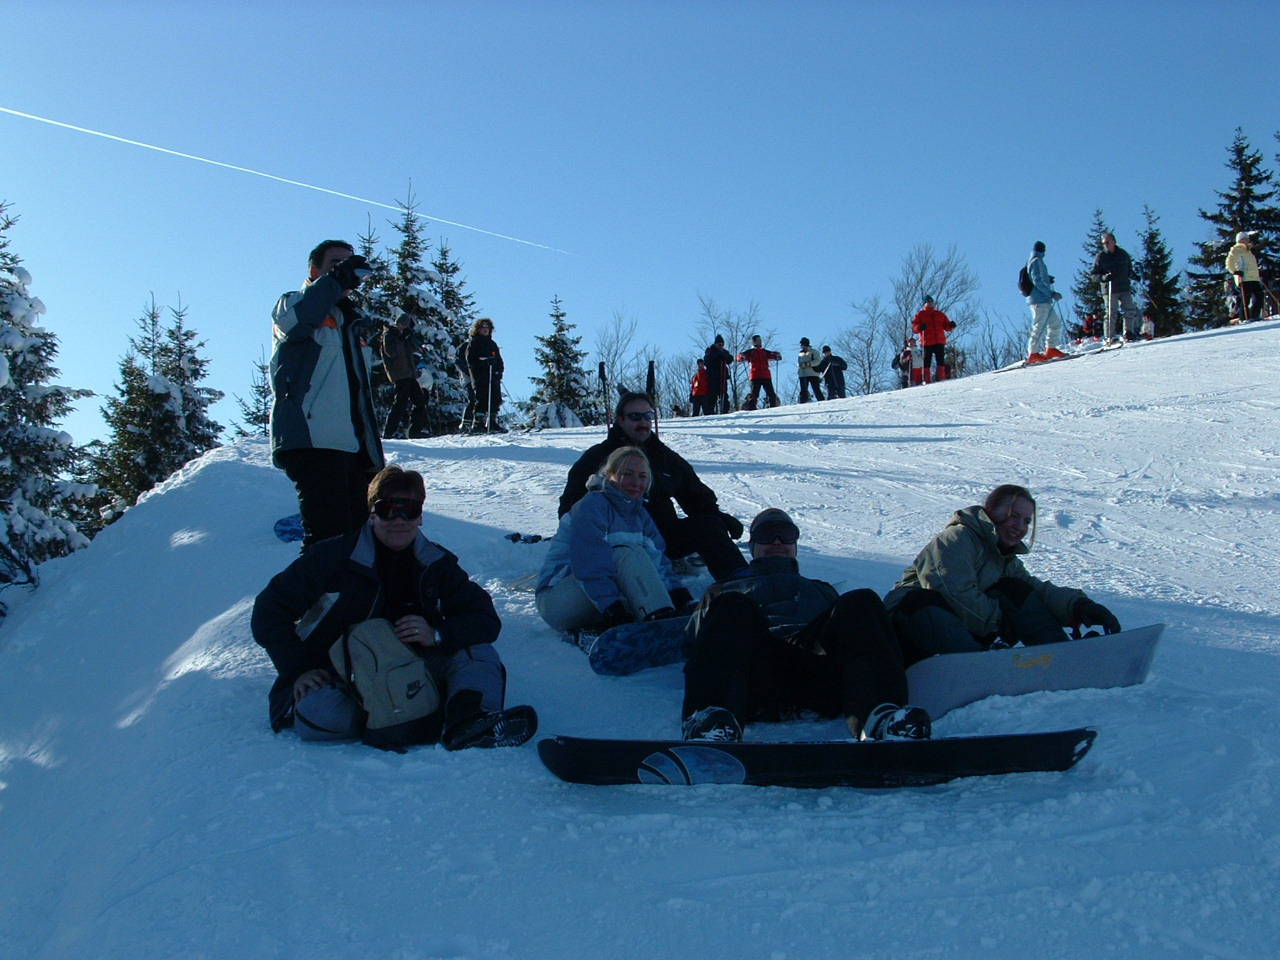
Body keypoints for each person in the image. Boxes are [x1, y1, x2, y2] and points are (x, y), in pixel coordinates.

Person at [251, 465, 536, 750]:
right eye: (388, 508)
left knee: (480, 653)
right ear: (372, 513)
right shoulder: (332, 557)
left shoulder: (436, 562)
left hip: (413, 669)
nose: (399, 520)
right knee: (318, 714)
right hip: (343, 674)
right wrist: (299, 670)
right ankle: (424, 715)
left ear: (421, 516)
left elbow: (484, 618)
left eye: (409, 510)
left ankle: (470, 721)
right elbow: (269, 611)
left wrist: (437, 635)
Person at [680, 508, 930, 743]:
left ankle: (882, 719)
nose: (777, 541)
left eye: (786, 535)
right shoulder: (722, 592)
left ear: (795, 546)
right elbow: (697, 646)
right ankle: (710, 722)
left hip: (816, 672)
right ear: (753, 546)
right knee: (733, 604)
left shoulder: (821, 589)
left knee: (861, 599)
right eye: (766, 535)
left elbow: (856, 637)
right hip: (754, 676)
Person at [883, 484, 1122, 665]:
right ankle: (985, 664)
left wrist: (1078, 606)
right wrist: (1001, 621)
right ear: (991, 512)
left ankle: (1059, 656)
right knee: (922, 601)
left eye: (1026, 521)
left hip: (966, 636)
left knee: (1015, 590)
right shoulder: (957, 539)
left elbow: (1036, 590)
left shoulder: (1004, 559)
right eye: (1013, 515)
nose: (1020, 526)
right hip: (909, 633)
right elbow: (951, 592)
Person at [558, 392, 747, 581]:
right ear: (620, 419)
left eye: (648, 416)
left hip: (662, 537)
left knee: (708, 525)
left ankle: (740, 581)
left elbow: (696, 497)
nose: (643, 422)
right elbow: (570, 508)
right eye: (635, 417)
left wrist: (719, 518)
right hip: (619, 543)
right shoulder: (597, 458)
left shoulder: (664, 457)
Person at [270, 239, 385, 551]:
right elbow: (296, 324)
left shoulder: (351, 321)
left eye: (349, 266)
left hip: (351, 447)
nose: (345, 272)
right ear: (314, 269)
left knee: (361, 544)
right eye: (335, 264)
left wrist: (372, 456)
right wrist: (334, 282)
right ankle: (310, 598)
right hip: (312, 440)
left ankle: (350, 600)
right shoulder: (293, 303)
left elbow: (359, 393)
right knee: (327, 542)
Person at [538, 445, 693, 634]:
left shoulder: (640, 515)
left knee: (639, 555)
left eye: (642, 476)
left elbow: (658, 562)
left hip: (600, 598)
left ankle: (664, 617)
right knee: (624, 552)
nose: (636, 482)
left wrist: (680, 597)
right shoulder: (592, 506)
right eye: (627, 474)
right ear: (609, 474)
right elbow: (589, 563)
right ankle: (658, 620)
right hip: (558, 602)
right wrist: (612, 608)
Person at [380, 314, 430, 439]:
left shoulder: (405, 336)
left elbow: (413, 349)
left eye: (405, 325)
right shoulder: (389, 335)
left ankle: (415, 431)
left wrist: (411, 338)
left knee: (420, 401)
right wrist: (402, 339)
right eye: (402, 324)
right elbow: (391, 353)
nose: (403, 327)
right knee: (400, 403)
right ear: (397, 323)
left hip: (409, 374)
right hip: (399, 374)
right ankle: (389, 432)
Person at [1091, 232, 1140, 342]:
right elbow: (1094, 275)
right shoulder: (1101, 257)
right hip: (1110, 289)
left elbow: (1128, 268)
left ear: (1114, 242)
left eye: (1108, 242)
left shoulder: (1123, 254)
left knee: (1129, 309)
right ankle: (1109, 336)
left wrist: (1133, 275)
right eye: (1104, 243)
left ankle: (1128, 332)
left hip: (1124, 287)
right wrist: (1103, 277)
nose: (1106, 245)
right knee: (1111, 312)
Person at [1025, 241, 1067, 364]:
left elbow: (1038, 278)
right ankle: (1033, 353)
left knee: (1055, 324)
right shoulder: (1036, 261)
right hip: (1039, 300)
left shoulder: (1035, 260)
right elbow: (1037, 281)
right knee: (1040, 326)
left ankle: (1051, 349)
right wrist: (1052, 293)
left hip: (1043, 300)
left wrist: (1048, 278)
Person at [465, 317, 505, 433]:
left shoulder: (492, 344)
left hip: (493, 377)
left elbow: (499, 360)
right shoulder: (474, 343)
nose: (485, 329)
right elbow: (471, 360)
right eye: (483, 327)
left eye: (487, 327)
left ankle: (492, 422)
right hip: (480, 376)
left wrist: (499, 371)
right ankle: (478, 423)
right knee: (481, 399)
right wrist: (484, 362)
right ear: (477, 329)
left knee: (495, 399)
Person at [911, 296, 955, 383]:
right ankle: (926, 379)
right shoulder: (920, 314)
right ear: (924, 303)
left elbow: (946, 326)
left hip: (939, 340)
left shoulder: (939, 314)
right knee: (927, 360)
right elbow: (914, 327)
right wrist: (920, 327)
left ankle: (941, 377)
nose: (930, 303)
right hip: (927, 341)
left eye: (931, 302)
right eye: (928, 302)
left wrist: (951, 326)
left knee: (940, 359)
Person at [1226, 231, 1264, 322]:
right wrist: (1235, 271)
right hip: (1244, 278)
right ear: (1241, 240)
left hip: (1254, 278)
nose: (1248, 241)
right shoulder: (1236, 249)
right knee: (1246, 299)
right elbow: (1229, 262)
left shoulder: (1248, 251)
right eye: (1246, 239)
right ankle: (1244, 318)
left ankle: (1254, 316)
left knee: (1259, 296)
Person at [736, 334, 782, 410]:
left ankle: (773, 407)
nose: (760, 342)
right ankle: (752, 408)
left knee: (771, 393)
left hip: (765, 375)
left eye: (760, 340)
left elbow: (772, 354)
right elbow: (739, 356)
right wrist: (741, 357)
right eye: (758, 340)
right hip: (755, 375)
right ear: (754, 342)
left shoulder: (764, 352)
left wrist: (777, 356)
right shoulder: (751, 352)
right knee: (754, 394)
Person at [703, 335, 734, 414]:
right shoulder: (710, 351)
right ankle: (709, 412)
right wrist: (718, 355)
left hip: (722, 377)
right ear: (716, 344)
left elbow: (730, 359)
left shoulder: (724, 352)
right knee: (712, 396)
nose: (721, 346)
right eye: (719, 345)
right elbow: (707, 360)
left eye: (722, 344)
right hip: (712, 378)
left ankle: (724, 410)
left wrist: (722, 355)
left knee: (724, 395)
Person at [796, 337, 825, 402]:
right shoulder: (800, 353)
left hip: (813, 373)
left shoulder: (814, 352)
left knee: (816, 389)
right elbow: (798, 363)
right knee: (803, 390)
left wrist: (808, 364)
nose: (801, 346)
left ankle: (822, 401)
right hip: (803, 374)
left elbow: (817, 361)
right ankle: (803, 401)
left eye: (802, 345)